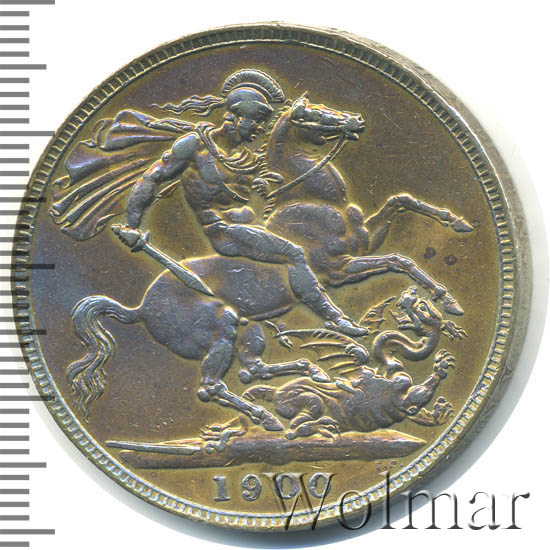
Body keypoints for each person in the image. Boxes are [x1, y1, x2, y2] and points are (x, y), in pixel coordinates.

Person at [121, 69, 366, 337]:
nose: (260, 129)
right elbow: (152, 177)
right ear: (237, 116)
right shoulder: (195, 146)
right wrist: (132, 225)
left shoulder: (246, 157)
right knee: (295, 253)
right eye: (257, 121)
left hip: (250, 224)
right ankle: (335, 318)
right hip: (222, 231)